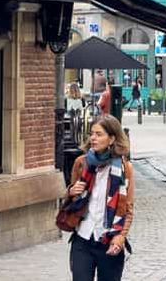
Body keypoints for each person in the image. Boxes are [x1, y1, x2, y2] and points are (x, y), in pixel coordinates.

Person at [67, 115, 134, 281]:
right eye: (92, 134)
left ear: (111, 139)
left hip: (109, 239)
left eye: (99, 134)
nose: (93, 138)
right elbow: (71, 201)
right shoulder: (81, 163)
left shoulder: (125, 169)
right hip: (83, 237)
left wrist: (121, 237)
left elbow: (128, 209)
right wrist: (71, 192)